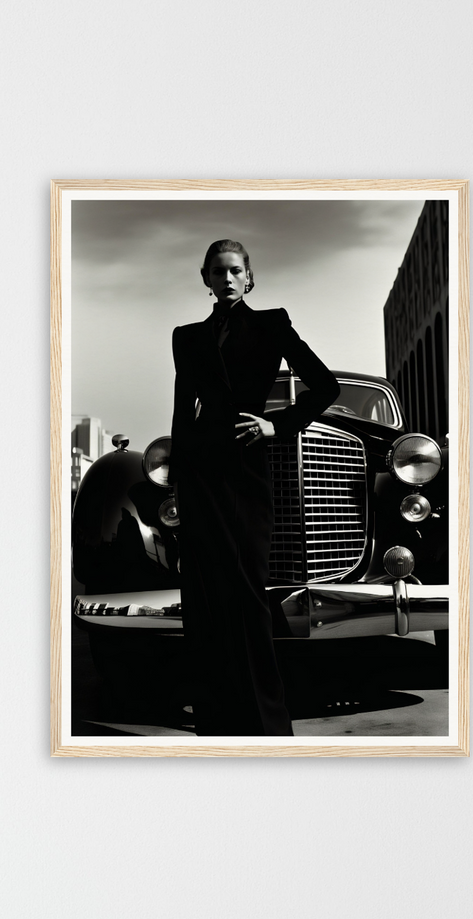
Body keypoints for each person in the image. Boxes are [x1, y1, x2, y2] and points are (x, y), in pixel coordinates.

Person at [169, 239, 340, 736]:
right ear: (205, 278)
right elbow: (183, 414)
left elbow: (324, 386)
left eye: (235, 271)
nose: (226, 279)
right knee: (205, 600)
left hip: (246, 475)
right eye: (217, 271)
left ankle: (267, 724)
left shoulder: (272, 324)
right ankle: (216, 721)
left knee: (246, 597)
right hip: (201, 477)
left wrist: (277, 426)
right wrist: (179, 484)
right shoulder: (185, 337)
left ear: (249, 278)